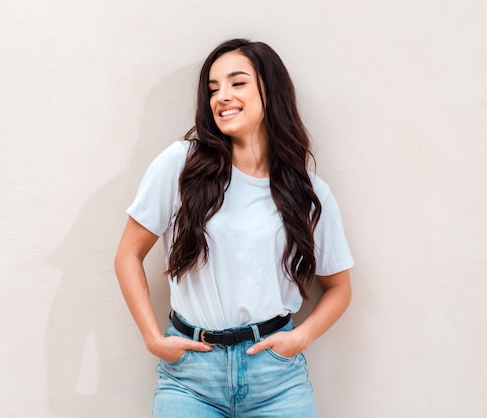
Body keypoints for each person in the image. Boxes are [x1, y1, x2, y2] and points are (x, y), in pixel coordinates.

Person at [114, 38, 354, 418]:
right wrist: (153, 339)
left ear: (269, 92)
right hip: (191, 376)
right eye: (213, 89)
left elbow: (339, 288)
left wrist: (299, 338)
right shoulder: (181, 165)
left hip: (276, 378)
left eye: (237, 83)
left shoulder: (307, 193)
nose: (222, 96)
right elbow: (128, 254)